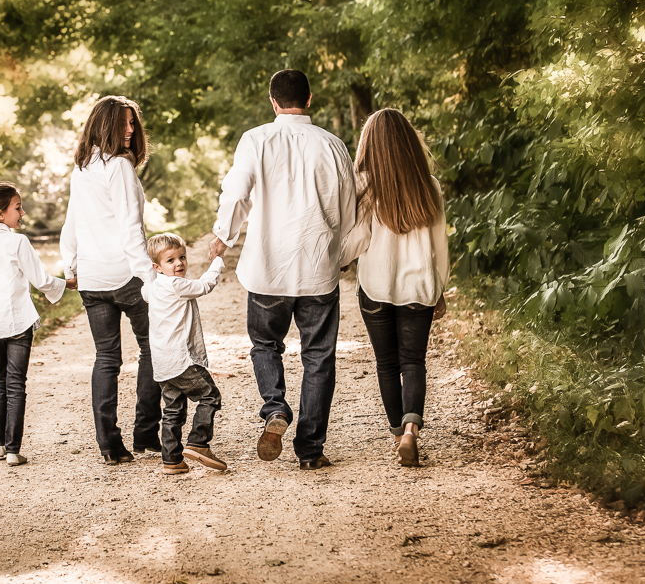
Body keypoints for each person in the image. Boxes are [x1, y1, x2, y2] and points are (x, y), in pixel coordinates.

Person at [210, 69, 357, 470]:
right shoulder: (333, 145)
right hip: (317, 269)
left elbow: (237, 192)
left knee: (264, 345)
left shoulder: (255, 139)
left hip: (268, 268)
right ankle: (310, 450)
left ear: (273, 102)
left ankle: (275, 408)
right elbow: (348, 209)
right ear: (310, 99)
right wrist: (341, 253)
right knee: (319, 357)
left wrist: (223, 235)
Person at [340, 108, 449, 467]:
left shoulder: (365, 186)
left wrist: (337, 260)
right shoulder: (428, 185)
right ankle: (411, 432)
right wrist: (440, 289)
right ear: (408, 142)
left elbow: (357, 239)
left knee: (386, 362)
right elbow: (439, 247)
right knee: (413, 361)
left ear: (369, 144)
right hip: (419, 287)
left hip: (375, 288)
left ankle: (396, 433)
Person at [60, 95, 162, 465]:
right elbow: (130, 228)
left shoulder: (82, 167)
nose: (132, 130)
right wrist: (149, 276)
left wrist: (70, 264)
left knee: (106, 357)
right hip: (124, 274)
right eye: (125, 123)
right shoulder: (118, 167)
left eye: (134, 123)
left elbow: (71, 222)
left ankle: (109, 445)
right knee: (152, 346)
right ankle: (146, 433)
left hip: (91, 277)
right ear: (106, 124)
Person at [0, 182, 72, 467]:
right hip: (17, 323)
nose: (22, 213)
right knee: (15, 384)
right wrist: (68, 284)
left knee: (1, 381)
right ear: (0, 213)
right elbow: (41, 280)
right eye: (17, 207)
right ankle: (13, 451)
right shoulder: (17, 241)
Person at [144, 233, 227, 475]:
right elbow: (205, 285)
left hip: (162, 364)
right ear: (157, 267)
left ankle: (172, 459)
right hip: (182, 360)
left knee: (173, 409)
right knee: (210, 396)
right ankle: (198, 443)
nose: (179, 263)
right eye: (171, 260)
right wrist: (217, 260)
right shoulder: (176, 285)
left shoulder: (153, 288)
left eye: (182, 257)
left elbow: (145, 292)